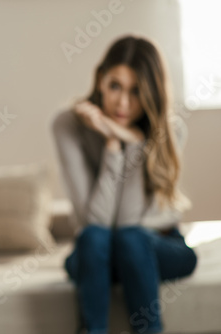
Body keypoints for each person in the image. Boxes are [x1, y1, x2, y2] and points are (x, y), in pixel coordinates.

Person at [53, 36, 197, 334]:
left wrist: (135, 141)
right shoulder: (68, 124)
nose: (122, 102)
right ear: (100, 79)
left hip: (159, 244)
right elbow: (98, 222)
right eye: (115, 85)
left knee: (130, 238)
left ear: (151, 94)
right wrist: (115, 146)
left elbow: (128, 223)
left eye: (136, 91)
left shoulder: (170, 131)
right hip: (98, 248)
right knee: (94, 238)